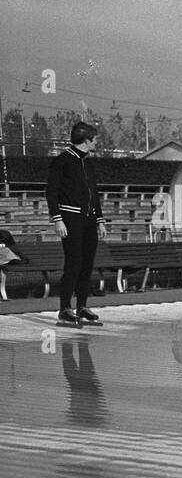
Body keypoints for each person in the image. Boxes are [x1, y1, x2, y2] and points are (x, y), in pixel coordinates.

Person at [46, 122, 108, 326]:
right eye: (95, 139)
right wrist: (57, 219)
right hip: (70, 218)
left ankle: (82, 306)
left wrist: (99, 220)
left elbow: (94, 194)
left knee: (87, 264)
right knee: (74, 263)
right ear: (86, 140)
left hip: (89, 220)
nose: (96, 142)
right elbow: (51, 191)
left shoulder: (87, 163)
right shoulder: (62, 161)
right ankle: (65, 308)